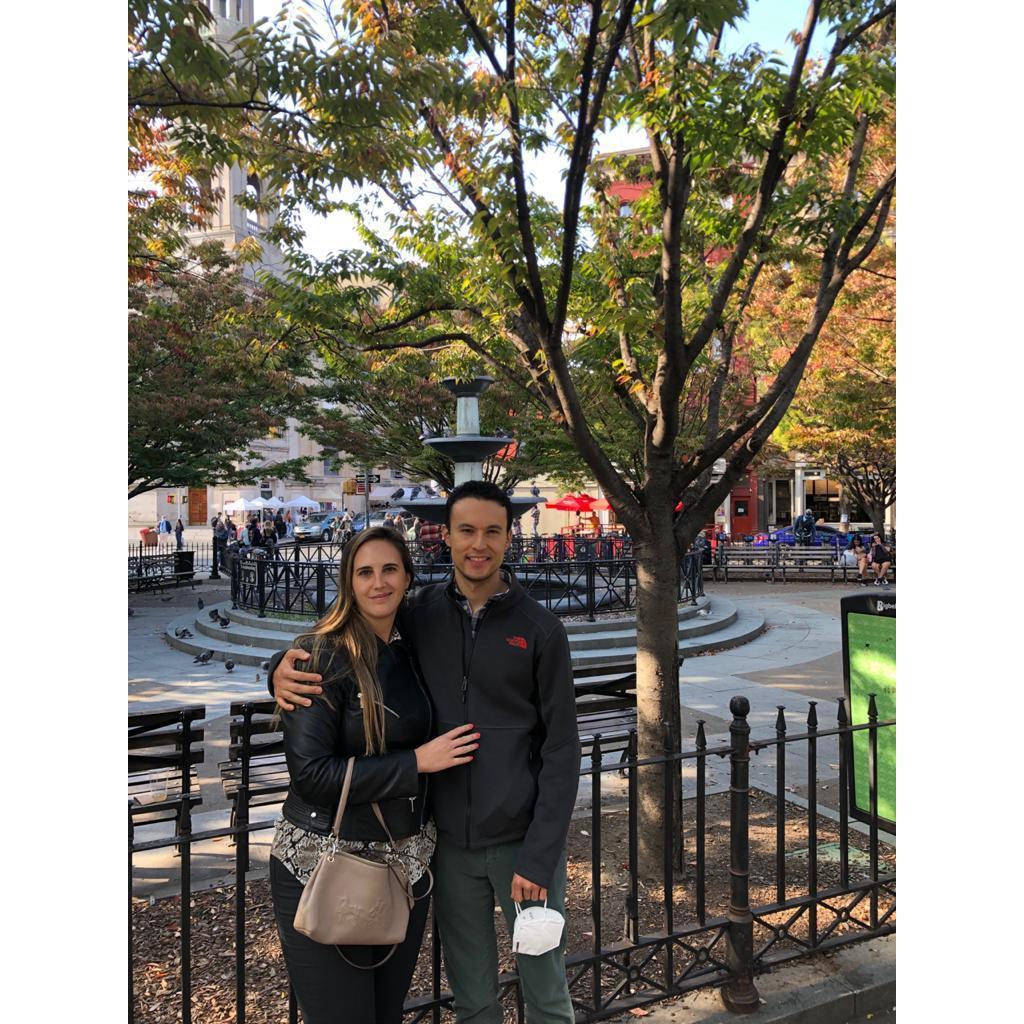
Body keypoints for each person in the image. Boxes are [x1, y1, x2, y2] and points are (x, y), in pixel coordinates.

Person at [270, 481, 581, 1024]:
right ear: (447, 537)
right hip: (448, 847)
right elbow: (344, 638)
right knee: (473, 998)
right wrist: (278, 665)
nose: (478, 544)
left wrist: (540, 853)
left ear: (509, 538)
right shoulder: (422, 613)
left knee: (547, 993)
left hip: (522, 842)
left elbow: (562, 749)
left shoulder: (541, 629)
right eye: (466, 530)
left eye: (492, 531)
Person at [269, 526, 479, 1024]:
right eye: (364, 572)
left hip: (405, 866)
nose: (378, 582)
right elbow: (311, 775)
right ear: (348, 581)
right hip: (325, 865)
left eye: (389, 569)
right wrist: (416, 763)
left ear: (407, 577)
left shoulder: (413, 647)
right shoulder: (321, 655)